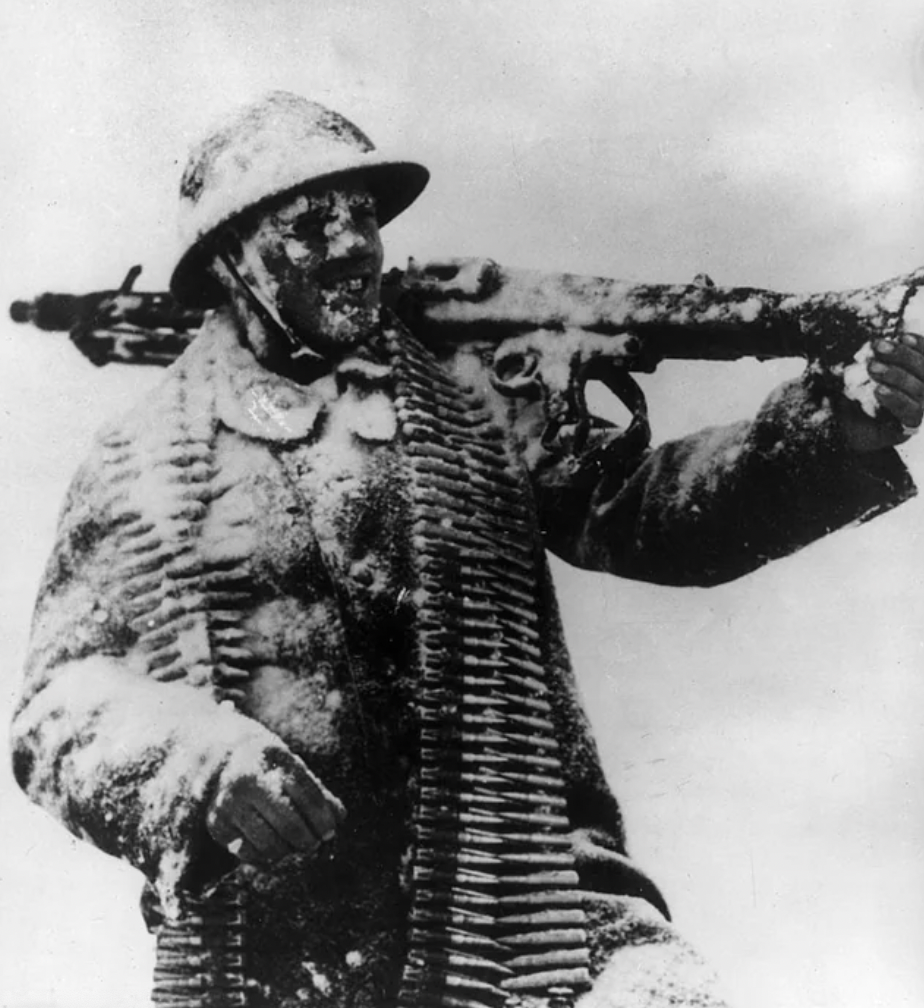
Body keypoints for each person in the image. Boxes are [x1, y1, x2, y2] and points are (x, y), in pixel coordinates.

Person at [10, 91, 924, 1008]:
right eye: (309, 223)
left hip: (535, 911)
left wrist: (834, 427)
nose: (353, 246)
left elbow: (643, 516)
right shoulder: (141, 462)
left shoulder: (468, 396)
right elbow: (57, 707)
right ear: (231, 259)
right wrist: (192, 765)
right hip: (280, 961)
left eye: (363, 216)